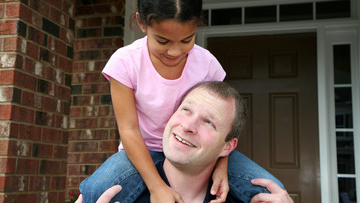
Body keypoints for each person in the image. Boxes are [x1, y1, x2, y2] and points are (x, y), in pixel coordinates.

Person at [80, 0, 227, 203]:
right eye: (163, 40)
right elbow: (128, 129)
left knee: (266, 188)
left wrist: (221, 164)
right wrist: (156, 186)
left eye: (187, 40)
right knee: (94, 191)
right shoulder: (125, 62)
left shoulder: (208, 64)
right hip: (142, 150)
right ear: (141, 23)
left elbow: (223, 125)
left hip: (197, 151)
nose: (175, 51)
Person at [77, 82, 293, 203]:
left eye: (209, 122)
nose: (188, 125)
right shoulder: (117, 194)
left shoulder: (246, 200)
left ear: (227, 147)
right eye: (186, 110)